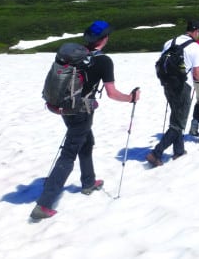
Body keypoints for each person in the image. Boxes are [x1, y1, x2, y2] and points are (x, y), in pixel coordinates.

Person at [31, 20, 141, 221]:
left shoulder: (73, 55)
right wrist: (131, 98)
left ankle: (88, 182)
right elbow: (112, 93)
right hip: (82, 111)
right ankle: (44, 204)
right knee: (69, 153)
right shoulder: (103, 61)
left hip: (65, 107)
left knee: (86, 142)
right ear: (104, 39)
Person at [146, 20, 199, 166]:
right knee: (179, 123)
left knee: (176, 117)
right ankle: (156, 153)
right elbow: (197, 74)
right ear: (196, 31)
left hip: (167, 84)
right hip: (183, 86)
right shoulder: (196, 47)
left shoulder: (169, 42)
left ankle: (179, 150)